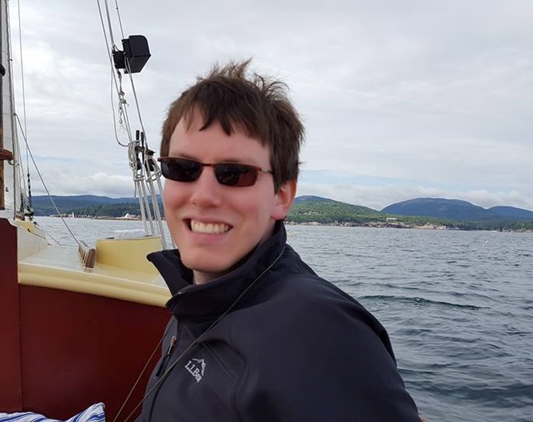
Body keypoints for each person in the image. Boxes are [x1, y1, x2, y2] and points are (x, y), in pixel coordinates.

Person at [139, 59, 423, 421]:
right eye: (183, 168)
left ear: (281, 196)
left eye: (235, 174)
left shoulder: (319, 333)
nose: (203, 196)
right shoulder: (196, 299)